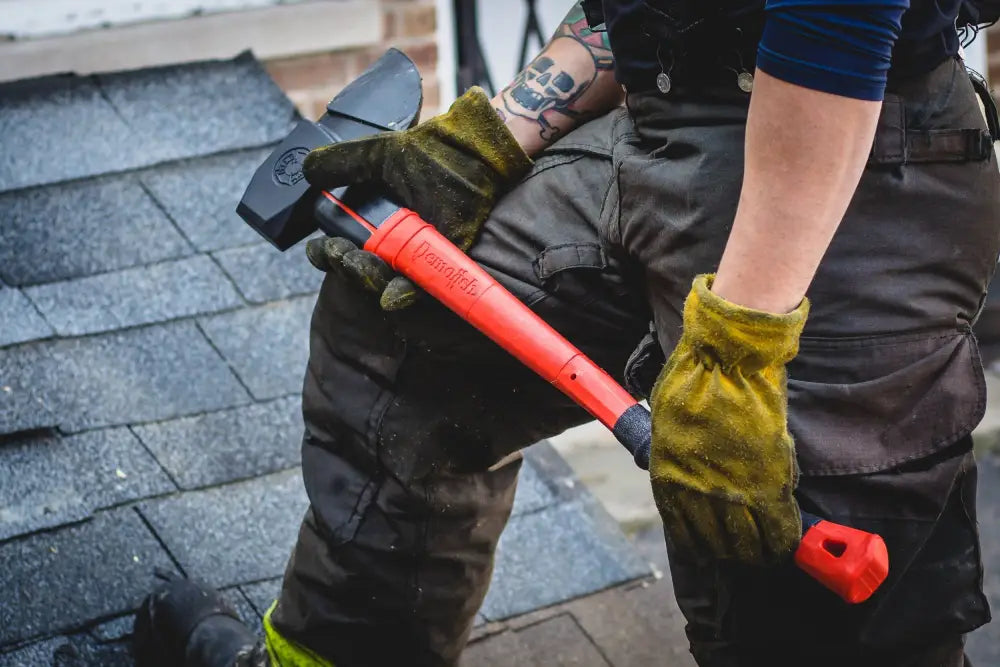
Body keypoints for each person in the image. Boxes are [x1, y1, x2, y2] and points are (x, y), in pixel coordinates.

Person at [134, 1, 1000, 665]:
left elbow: (837, 24)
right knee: (403, 328)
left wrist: (737, 345)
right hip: (659, 122)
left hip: (843, 142)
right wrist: (492, 135)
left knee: (765, 534)